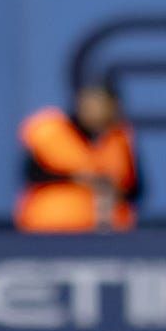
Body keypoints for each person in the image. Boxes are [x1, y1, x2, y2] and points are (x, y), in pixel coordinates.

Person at [15, 80, 141, 232]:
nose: (96, 110)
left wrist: (113, 190)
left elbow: (136, 189)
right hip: (51, 228)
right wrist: (77, 178)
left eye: (102, 104)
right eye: (91, 103)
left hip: (106, 231)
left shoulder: (120, 138)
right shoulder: (53, 131)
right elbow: (31, 174)